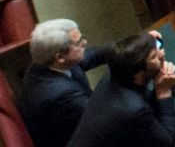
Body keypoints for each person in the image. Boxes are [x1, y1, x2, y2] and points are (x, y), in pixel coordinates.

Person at [21, 19, 123, 147]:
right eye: (79, 42)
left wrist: (129, 47)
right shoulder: (62, 97)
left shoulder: (45, 63)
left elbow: (91, 56)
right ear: (60, 57)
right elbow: (107, 117)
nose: (85, 43)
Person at [65, 33, 175, 147]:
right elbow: (167, 142)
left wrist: (140, 43)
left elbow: (152, 107)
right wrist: (164, 92)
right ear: (138, 74)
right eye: (154, 56)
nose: (162, 54)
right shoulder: (133, 108)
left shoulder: (115, 74)